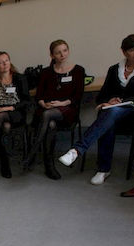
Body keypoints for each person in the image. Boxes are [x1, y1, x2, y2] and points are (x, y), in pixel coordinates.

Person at [59, 33, 134, 185]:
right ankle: (103, 169)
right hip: (117, 115)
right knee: (107, 114)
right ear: (124, 52)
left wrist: (123, 101)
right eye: (132, 50)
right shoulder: (114, 69)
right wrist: (109, 101)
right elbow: (102, 96)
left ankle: (77, 150)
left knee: (110, 113)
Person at [23, 40, 85, 180]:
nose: (62, 55)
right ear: (52, 55)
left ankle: (32, 153)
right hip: (48, 110)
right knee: (50, 123)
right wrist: (43, 104)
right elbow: (39, 95)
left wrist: (61, 103)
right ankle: (49, 165)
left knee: (47, 115)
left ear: (68, 51)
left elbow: (77, 96)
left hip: (68, 110)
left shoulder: (78, 70)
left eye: (65, 50)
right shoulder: (46, 72)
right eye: (58, 52)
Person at [0, 51, 31, 178]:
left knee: (1, 117)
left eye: (6, 60)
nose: (4, 64)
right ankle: (5, 163)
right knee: (5, 126)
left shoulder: (20, 78)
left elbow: (27, 101)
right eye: (0, 62)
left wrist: (10, 107)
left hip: (16, 113)